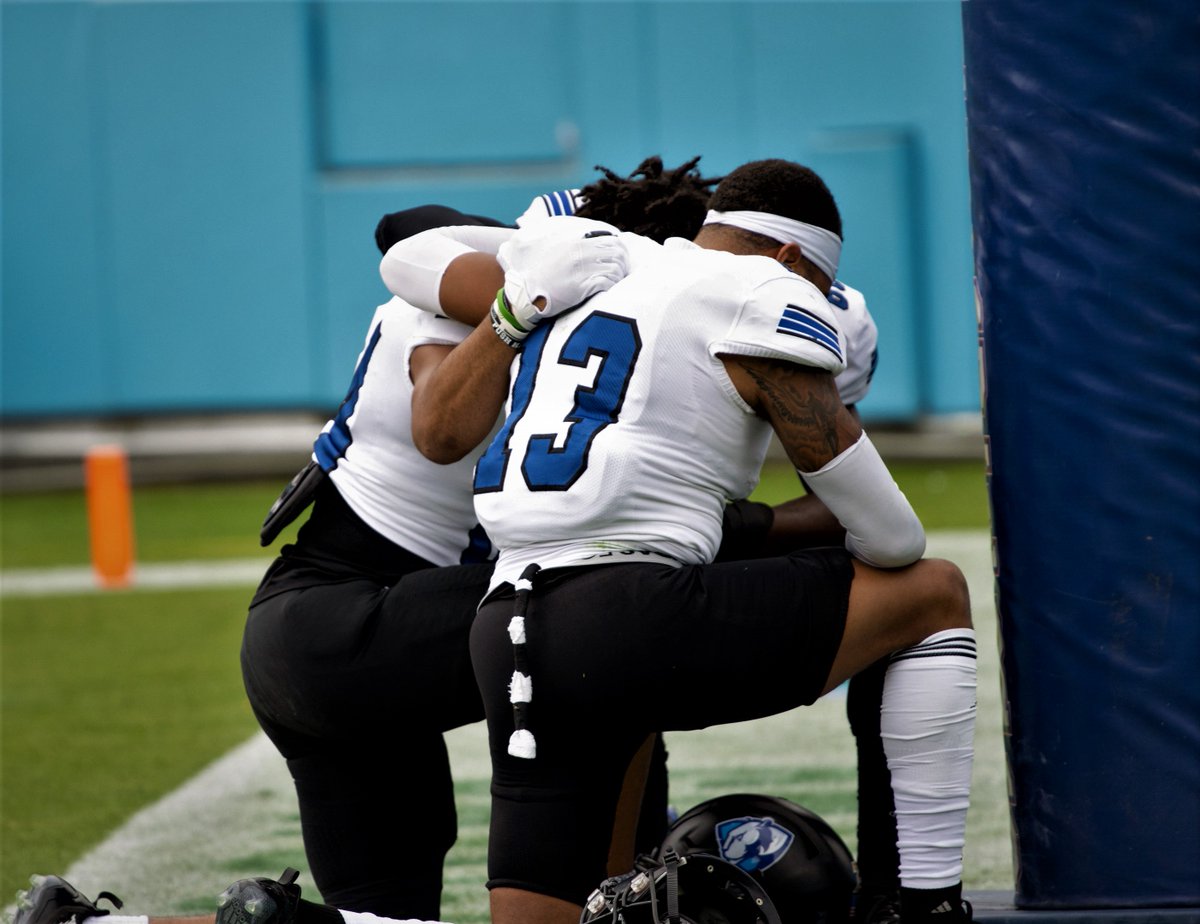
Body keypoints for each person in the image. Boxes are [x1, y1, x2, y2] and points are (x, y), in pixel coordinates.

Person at [390, 158, 976, 924]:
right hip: (630, 615)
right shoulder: (759, 290)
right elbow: (892, 537)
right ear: (794, 260)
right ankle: (924, 903)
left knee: (547, 919)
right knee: (932, 592)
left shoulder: (594, 263)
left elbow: (404, 250)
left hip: (507, 626)